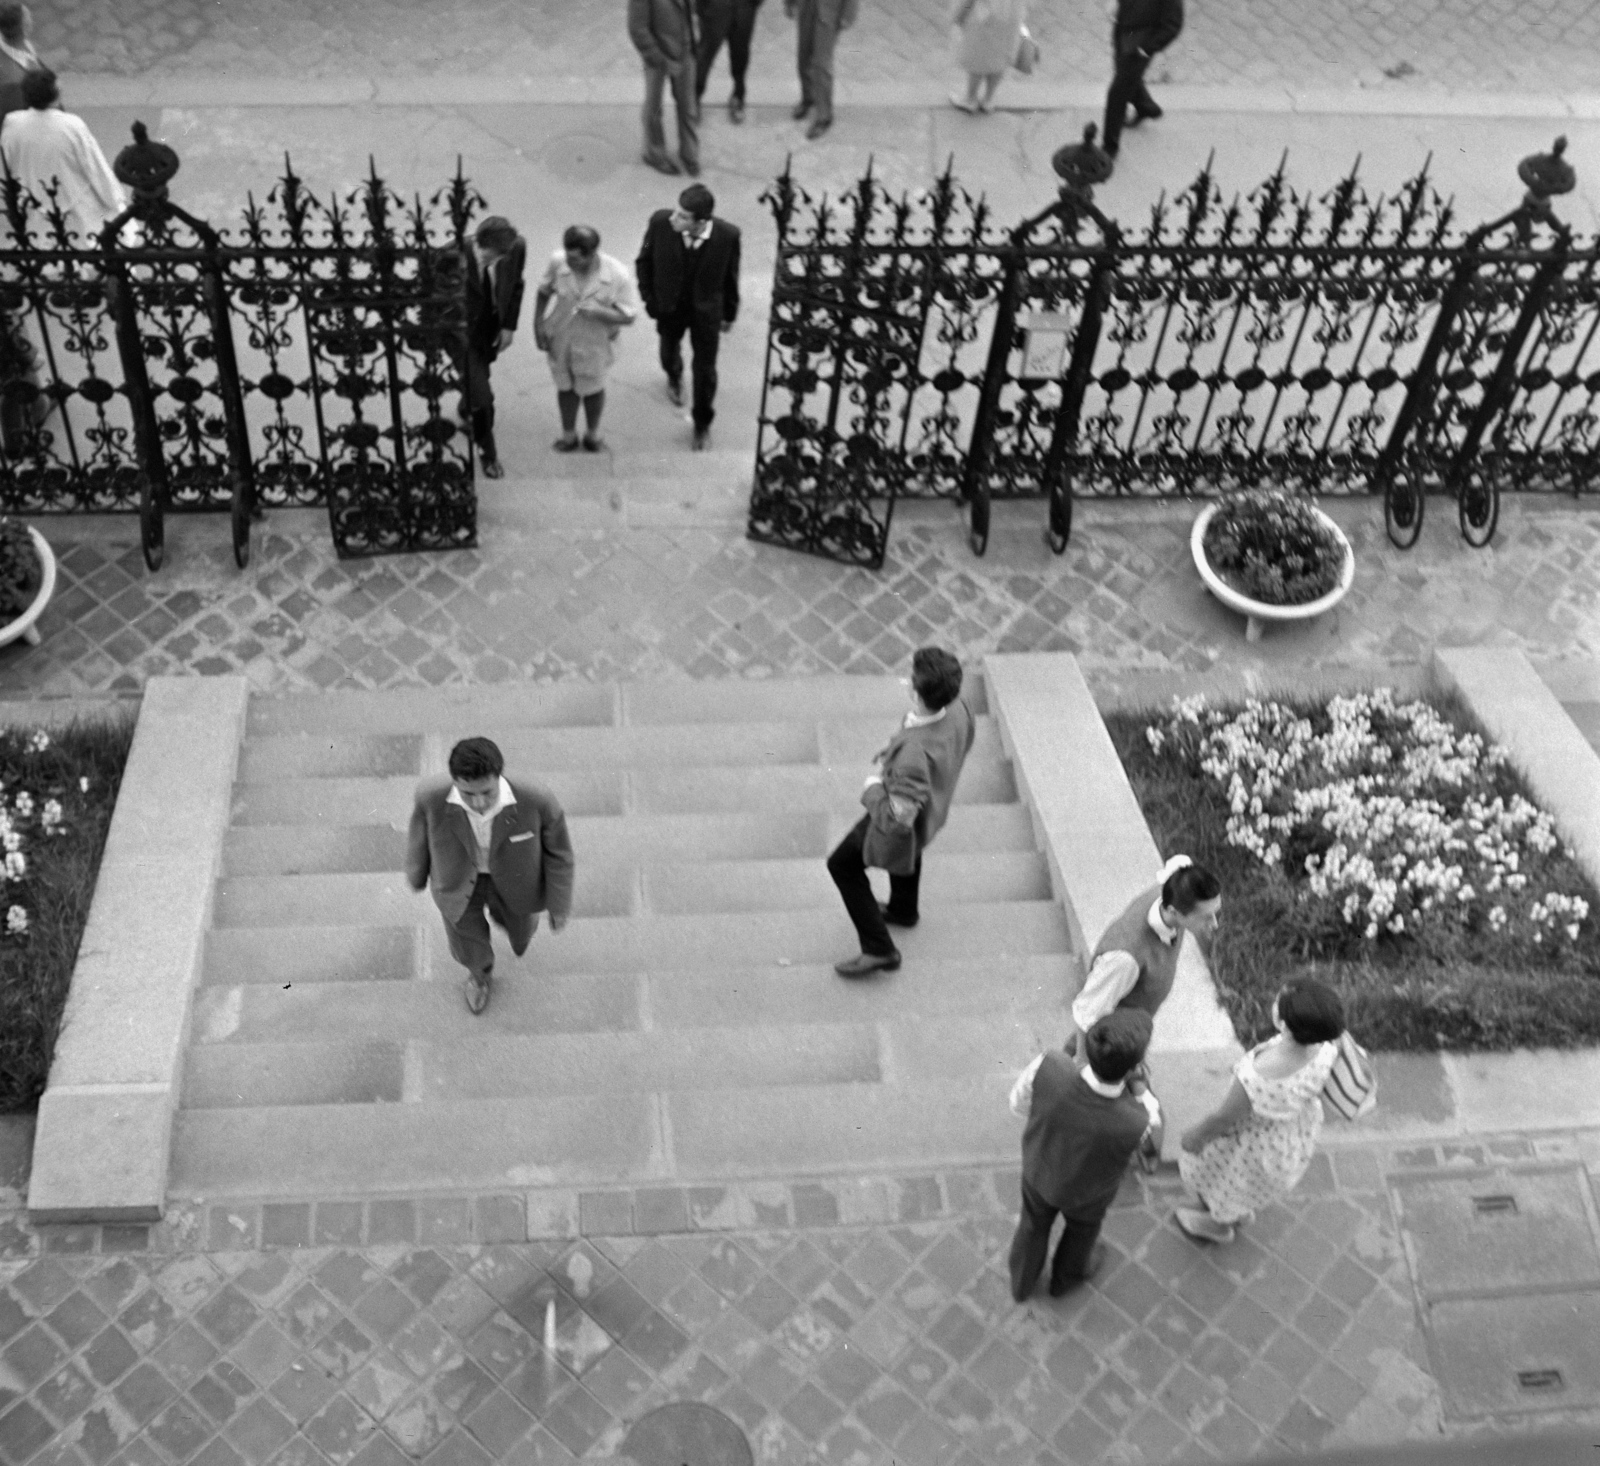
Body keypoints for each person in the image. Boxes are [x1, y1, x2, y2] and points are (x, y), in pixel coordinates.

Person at [827, 646, 975, 978]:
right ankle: (903, 910)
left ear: (917, 693)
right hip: (931, 813)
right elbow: (943, 743)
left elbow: (896, 821)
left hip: (901, 815)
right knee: (914, 845)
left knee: (841, 866)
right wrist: (897, 750)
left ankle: (880, 950)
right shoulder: (959, 708)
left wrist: (872, 789)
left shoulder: (913, 755)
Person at [405, 737, 575, 1015]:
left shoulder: (536, 799)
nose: (479, 802)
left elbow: (560, 853)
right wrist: (416, 872)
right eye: (468, 794)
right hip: (456, 881)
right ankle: (479, 975)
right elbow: (419, 835)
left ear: (499, 777)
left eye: (487, 792)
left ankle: (515, 930)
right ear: (455, 781)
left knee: (521, 930)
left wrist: (559, 903)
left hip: (516, 882)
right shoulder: (430, 796)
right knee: (465, 937)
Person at [1176, 979, 1346, 1244]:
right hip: (1288, 1136)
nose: (1276, 999)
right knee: (1244, 1186)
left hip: (1252, 1145)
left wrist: (1196, 1137)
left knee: (1224, 1179)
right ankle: (1237, 1211)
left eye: (1280, 1000)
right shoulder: (1325, 1047)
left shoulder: (1257, 1078)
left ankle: (1218, 1225)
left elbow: (1224, 1119)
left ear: (1286, 1026)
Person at [1007, 1010, 1159, 1300]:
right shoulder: (1139, 1117)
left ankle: (1022, 1282)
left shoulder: (1048, 1066)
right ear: (1134, 1068)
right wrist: (1141, 1091)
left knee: (1031, 1225)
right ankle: (1066, 1278)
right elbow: (1150, 1142)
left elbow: (1018, 1104)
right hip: (1089, 1195)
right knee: (1082, 1233)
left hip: (1039, 1172)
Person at [1069, 854, 1222, 1067]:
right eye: (1206, 916)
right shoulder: (1125, 960)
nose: (1214, 924)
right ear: (1173, 912)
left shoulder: (1175, 881)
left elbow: (1179, 863)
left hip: (1131, 1036)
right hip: (1107, 1046)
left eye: (1215, 913)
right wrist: (1085, 1074)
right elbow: (1087, 1013)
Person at [635, 183, 740, 451]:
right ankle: (673, 375)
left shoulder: (728, 236)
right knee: (669, 350)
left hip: (706, 313)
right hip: (669, 307)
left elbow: (731, 276)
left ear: (700, 222)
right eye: (676, 211)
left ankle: (702, 424)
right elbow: (643, 260)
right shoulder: (659, 223)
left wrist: (729, 312)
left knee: (705, 371)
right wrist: (650, 300)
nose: (673, 218)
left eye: (682, 216)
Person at [532, 225, 640, 454]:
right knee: (565, 386)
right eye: (568, 258)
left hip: (596, 344)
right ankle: (568, 436)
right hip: (561, 338)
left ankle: (592, 435)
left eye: (576, 261)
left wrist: (600, 312)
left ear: (592, 254)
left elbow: (629, 317)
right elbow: (543, 291)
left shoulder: (617, 274)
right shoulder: (558, 261)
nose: (569, 265)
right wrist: (538, 324)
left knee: (592, 389)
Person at [0, 70, 125, 241]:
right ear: (55, 95)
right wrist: (115, 201)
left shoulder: (12, 124)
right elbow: (95, 167)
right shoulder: (72, 125)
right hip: (77, 209)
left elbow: (5, 169)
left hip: (34, 212)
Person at [460, 215, 526, 481]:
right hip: (463, 337)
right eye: (492, 257)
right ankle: (488, 453)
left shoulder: (515, 247)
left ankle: (467, 404)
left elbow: (517, 285)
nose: (497, 261)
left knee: (478, 381)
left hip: (489, 327)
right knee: (484, 399)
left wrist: (509, 325)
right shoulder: (450, 257)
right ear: (479, 242)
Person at [1102, 0, 1183, 160]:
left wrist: (1147, 49)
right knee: (1126, 78)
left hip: (1141, 43)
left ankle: (1109, 148)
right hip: (1123, 32)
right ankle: (1147, 107)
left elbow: (1173, 25)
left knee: (1117, 93)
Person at [629, 0, 700, 177]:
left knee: (688, 107)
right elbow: (637, 28)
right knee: (654, 109)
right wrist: (658, 59)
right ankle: (654, 154)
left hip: (686, 52)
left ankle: (689, 154)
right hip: (657, 58)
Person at [783, 0, 859, 141]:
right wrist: (789, 3)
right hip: (806, 6)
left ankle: (824, 116)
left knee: (821, 64)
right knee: (803, 58)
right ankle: (808, 98)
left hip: (829, 11)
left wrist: (848, 14)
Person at [949, 0, 1027, 115]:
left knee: (979, 57)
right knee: (1000, 58)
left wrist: (958, 17)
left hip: (985, 18)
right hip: (1011, 17)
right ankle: (988, 99)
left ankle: (970, 99)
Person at [696, 0, 763, 123]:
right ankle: (694, 98)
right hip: (715, 8)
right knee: (705, 55)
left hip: (745, 8)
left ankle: (738, 96)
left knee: (740, 54)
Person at [0, 3, 42, 120]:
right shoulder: (13, 79)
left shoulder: (25, 45)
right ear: (25, 27)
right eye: (29, 17)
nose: (32, 20)